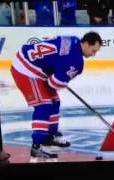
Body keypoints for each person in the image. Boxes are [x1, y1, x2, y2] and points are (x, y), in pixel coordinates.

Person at [10, 32, 102, 162]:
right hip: (26, 69)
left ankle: (50, 136)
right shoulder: (76, 61)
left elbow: (56, 58)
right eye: (93, 51)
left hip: (31, 62)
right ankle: (37, 146)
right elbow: (54, 83)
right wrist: (62, 80)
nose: (94, 54)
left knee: (55, 101)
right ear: (86, 44)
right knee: (44, 105)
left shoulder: (73, 40)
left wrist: (58, 74)